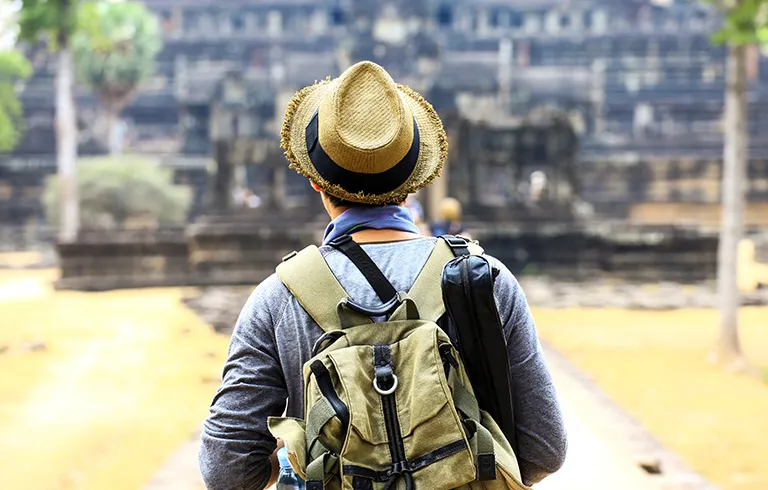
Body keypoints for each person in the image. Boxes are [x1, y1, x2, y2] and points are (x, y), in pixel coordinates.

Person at [199, 61, 567, 490]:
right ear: (414, 184)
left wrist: (299, 457)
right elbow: (544, 450)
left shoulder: (280, 298)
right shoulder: (485, 282)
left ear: (317, 183)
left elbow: (226, 470)